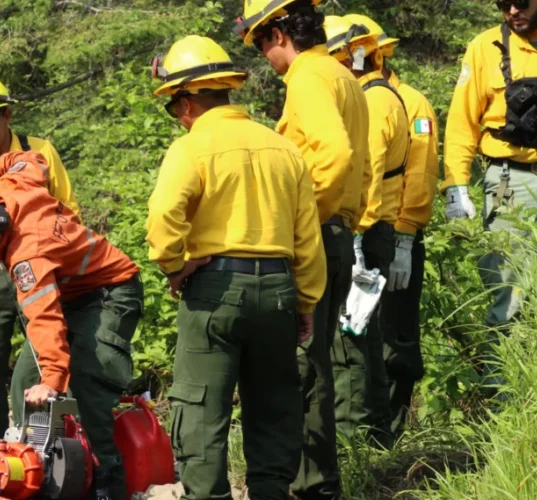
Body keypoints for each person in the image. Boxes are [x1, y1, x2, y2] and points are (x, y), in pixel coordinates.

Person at [147, 34, 327, 499]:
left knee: (201, 408)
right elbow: (307, 238)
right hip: (280, 293)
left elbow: (164, 219)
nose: (176, 117)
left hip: (214, 291)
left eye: (173, 107)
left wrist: (176, 267)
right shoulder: (285, 150)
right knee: (273, 407)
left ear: (187, 102)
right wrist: (305, 301)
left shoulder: (192, 148)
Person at [0, 150, 142, 500]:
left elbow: (44, 318)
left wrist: (52, 380)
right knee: (24, 383)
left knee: (89, 377)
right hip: (73, 294)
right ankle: (35, 469)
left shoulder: (27, 256)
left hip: (111, 292)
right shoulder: (11, 185)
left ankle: (107, 479)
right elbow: (30, 157)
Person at [234, 0, 371, 496]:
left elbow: (334, 154)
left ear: (278, 33)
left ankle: (311, 484)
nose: (264, 56)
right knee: (317, 361)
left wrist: (301, 219)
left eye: (261, 43)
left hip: (317, 233)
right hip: (338, 231)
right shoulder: (342, 77)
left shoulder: (310, 78)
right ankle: (315, 480)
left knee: (302, 365)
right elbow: (363, 161)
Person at [0, 74, 80, 440]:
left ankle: (35, 441)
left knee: (43, 351)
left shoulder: (41, 151)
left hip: (39, 258)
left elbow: (68, 207)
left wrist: (68, 265)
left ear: (7, 116)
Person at [443, 0, 537, 396]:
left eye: (521, 2)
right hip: (509, 183)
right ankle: (505, 397)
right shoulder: (484, 46)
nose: (511, 10)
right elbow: (461, 123)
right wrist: (456, 186)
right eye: (501, 2)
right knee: (509, 293)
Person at [345, 13, 441, 438]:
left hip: (395, 235)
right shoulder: (354, 100)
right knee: (362, 329)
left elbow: (419, 174)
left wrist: (405, 236)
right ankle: (368, 425)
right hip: (365, 235)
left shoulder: (412, 104)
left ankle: (393, 428)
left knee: (396, 335)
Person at [324, 15, 409, 447]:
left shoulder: (374, 103)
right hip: (374, 229)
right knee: (365, 334)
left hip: (367, 229)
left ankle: (354, 440)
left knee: (350, 339)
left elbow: (370, 174)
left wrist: (355, 237)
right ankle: (376, 436)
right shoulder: (378, 96)